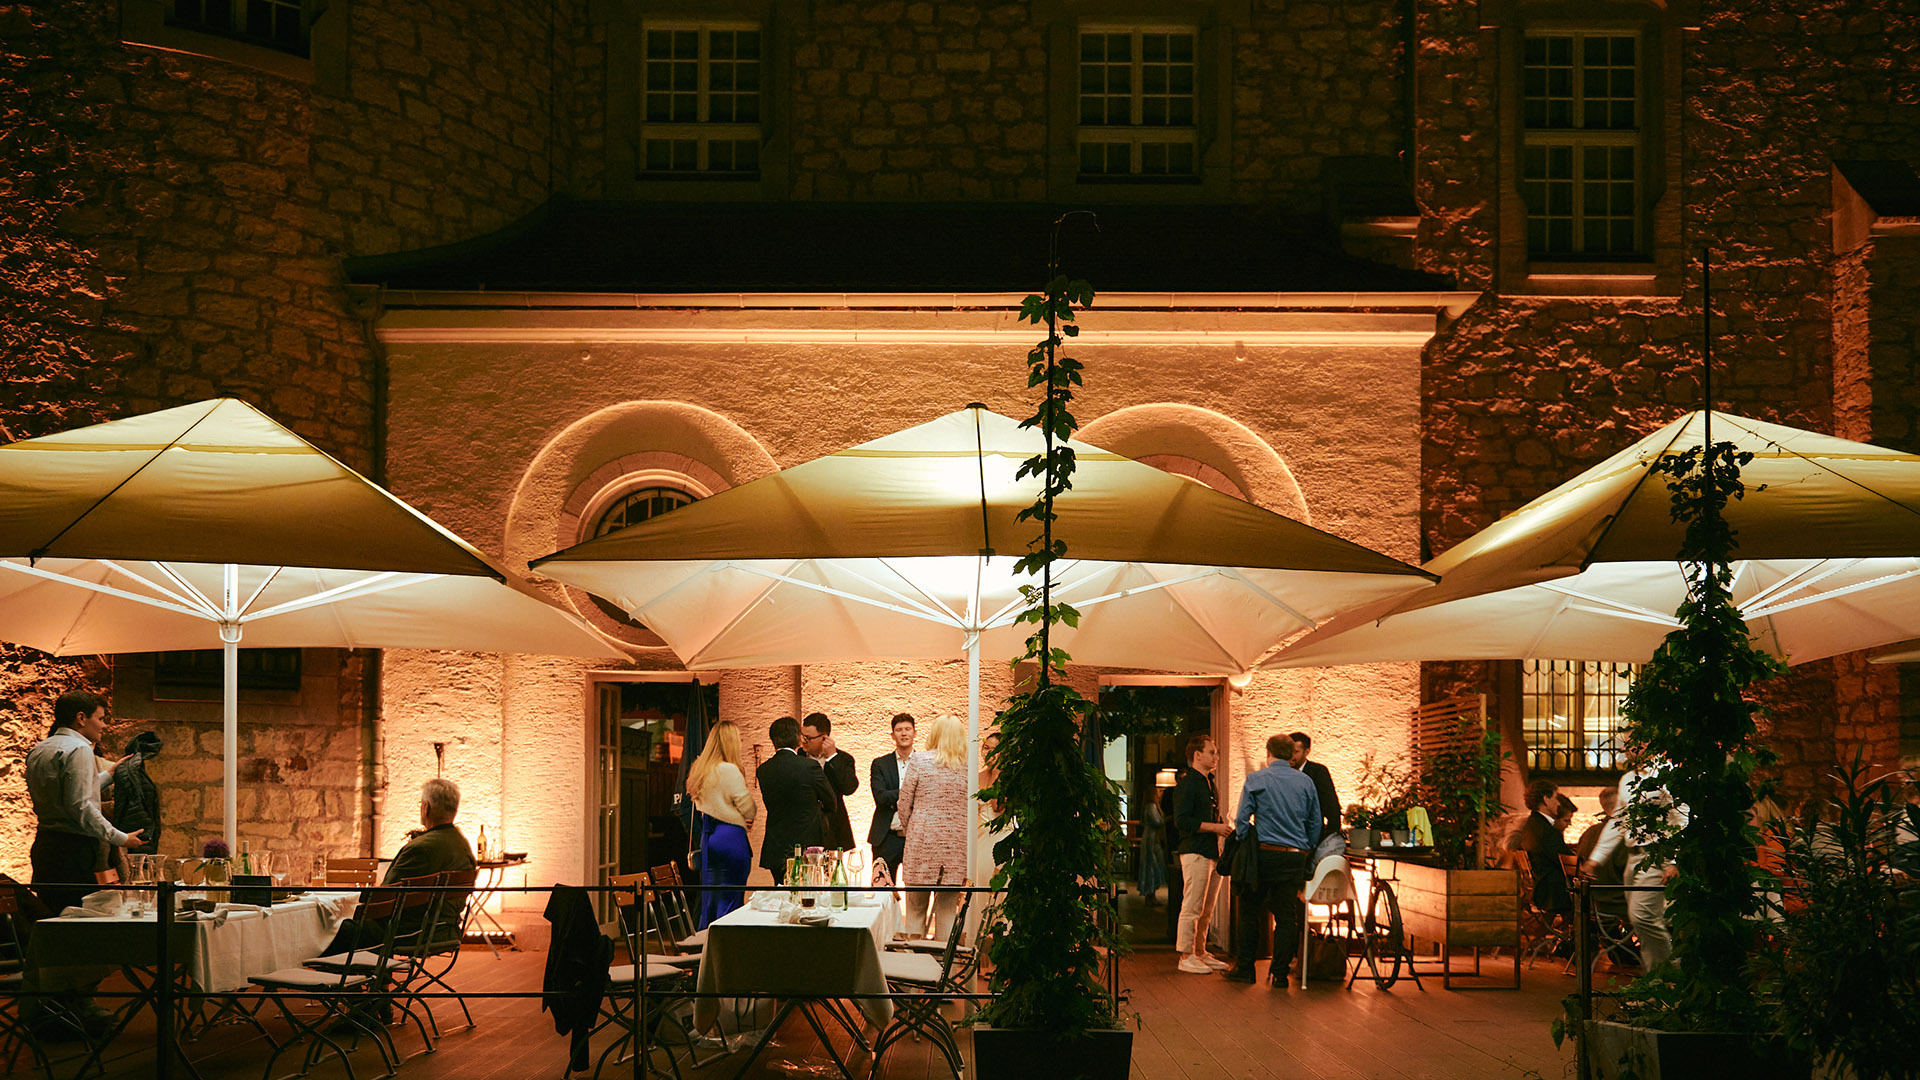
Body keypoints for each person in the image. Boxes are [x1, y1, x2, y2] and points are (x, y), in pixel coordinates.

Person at [322, 778, 478, 954]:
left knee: (330, 931)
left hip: (408, 932)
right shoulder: (462, 845)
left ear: (426, 807)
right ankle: (377, 976)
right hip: (445, 930)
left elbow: (383, 898)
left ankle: (341, 979)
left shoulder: (420, 848)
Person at [26, 690, 144, 916]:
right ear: (81, 718)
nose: (104, 726)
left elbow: (65, 794)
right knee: (76, 922)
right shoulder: (79, 749)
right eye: (100, 718)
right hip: (74, 853)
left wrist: (109, 774)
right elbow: (81, 807)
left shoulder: (39, 749)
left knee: (50, 917)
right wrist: (122, 838)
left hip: (46, 846)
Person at [1225, 734, 1320, 987]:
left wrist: (1247, 840)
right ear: (1291, 754)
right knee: (1287, 916)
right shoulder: (1306, 782)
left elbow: (1242, 820)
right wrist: (1307, 846)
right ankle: (1279, 974)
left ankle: (1246, 967)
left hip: (1264, 854)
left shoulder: (1257, 779)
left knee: (1250, 910)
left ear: (1268, 752)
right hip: (1294, 858)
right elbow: (1314, 822)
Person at [1585, 757, 1685, 971]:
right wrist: (1596, 857)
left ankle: (1672, 973)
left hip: (1656, 855)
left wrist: (1674, 859)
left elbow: (1681, 817)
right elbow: (1618, 821)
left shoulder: (1668, 775)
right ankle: (1656, 983)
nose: (1627, 749)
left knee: (1643, 918)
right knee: (1645, 923)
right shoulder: (1628, 779)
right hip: (1634, 858)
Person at [898, 713, 970, 939]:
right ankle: (942, 969)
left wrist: (911, 829)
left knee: (915, 911)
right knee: (947, 912)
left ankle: (913, 967)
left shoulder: (919, 761)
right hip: (956, 848)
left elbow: (903, 802)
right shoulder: (967, 768)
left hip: (921, 843)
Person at [1171, 734, 1232, 974]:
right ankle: (1185, 955)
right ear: (1197, 755)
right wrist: (1215, 827)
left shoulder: (1208, 782)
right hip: (1194, 850)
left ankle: (1199, 951)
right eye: (1212, 752)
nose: (1216, 756)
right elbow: (1182, 821)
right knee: (1192, 905)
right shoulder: (1188, 784)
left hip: (1210, 851)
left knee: (1207, 908)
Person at [686, 721, 756, 927]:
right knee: (731, 898)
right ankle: (727, 948)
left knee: (711, 898)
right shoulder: (728, 770)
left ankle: (704, 945)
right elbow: (748, 808)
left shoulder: (699, 769)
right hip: (730, 837)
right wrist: (743, 815)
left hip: (709, 837)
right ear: (730, 742)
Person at [756, 716, 836, 885]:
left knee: (782, 895)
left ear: (773, 740)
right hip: (808, 843)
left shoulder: (763, 770)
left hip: (776, 843)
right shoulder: (809, 766)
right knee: (808, 893)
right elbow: (831, 801)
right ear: (798, 739)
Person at [1511, 780, 1572, 914]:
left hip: (1543, 887)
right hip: (1554, 892)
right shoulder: (1544, 829)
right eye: (1556, 798)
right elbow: (1566, 860)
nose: (1558, 803)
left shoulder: (1533, 824)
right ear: (1546, 799)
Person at [800, 712, 859, 851]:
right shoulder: (798, 756)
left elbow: (849, 787)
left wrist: (832, 757)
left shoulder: (843, 759)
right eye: (802, 736)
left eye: (808, 738)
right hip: (804, 828)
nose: (803, 741)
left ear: (824, 737)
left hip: (833, 829)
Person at [867, 713, 916, 879]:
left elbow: (926, 797)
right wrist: (910, 793)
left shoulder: (924, 763)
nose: (904, 733)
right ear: (892, 735)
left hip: (916, 837)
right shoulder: (880, 764)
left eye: (908, 729)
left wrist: (894, 795)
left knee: (916, 892)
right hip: (886, 837)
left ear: (914, 733)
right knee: (882, 890)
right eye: (899, 730)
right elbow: (880, 797)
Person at [1288, 731, 1343, 858]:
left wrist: (1325, 839)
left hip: (1311, 838)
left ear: (1306, 752)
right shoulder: (1282, 773)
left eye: (1296, 752)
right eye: (1289, 751)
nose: (1291, 756)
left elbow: (1331, 806)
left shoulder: (1318, 772)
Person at [112, 730, 164, 857]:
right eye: (100, 719)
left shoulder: (130, 768)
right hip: (128, 839)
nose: (103, 725)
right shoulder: (129, 769)